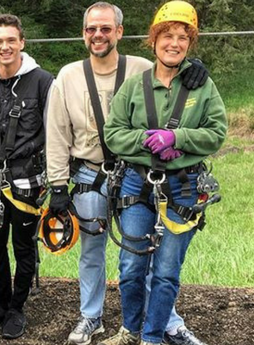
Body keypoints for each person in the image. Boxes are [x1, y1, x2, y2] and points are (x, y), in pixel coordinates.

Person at [45, 2, 210, 345]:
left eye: (106, 28)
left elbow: (172, 73)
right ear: (83, 33)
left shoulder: (141, 67)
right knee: (92, 251)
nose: (98, 35)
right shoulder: (69, 76)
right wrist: (59, 186)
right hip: (92, 175)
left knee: (147, 252)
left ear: (119, 32)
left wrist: (196, 68)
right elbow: (57, 134)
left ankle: (167, 321)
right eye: (91, 29)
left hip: (139, 176)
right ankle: (91, 316)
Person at [99, 1, 227, 344]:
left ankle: (152, 337)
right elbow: (112, 133)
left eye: (182, 38)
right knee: (130, 267)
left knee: (167, 272)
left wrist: (179, 138)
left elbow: (216, 132)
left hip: (182, 187)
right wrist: (146, 141)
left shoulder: (202, 87)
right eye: (167, 35)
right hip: (136, 184)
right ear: (153, 40)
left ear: (190, 43)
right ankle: (131, 329)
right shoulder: (134, 87)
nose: (174, 43)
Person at [0, 14, 54, 339]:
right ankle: (3, 303)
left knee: (23, 247)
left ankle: (18, 307)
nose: (4, 47)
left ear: (22, 41)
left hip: (28, 178)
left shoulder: (44, 81)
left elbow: (54, 131)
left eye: (10, 40)